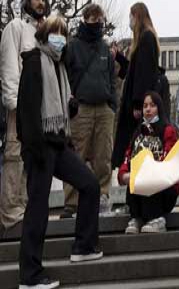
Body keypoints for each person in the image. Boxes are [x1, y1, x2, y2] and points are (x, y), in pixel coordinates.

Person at [17, 15, 102, 289]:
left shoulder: (59, 66)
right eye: (55, 32)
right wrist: (32, 148)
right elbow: (26, 111)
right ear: (44, 33)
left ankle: (83, 247)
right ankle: (30, 276)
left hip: (59, 142)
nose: (60, 38)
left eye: (64, 34)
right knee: (38, 210)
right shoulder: (33, 61)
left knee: (89, 184)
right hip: (39, 145)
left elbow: (59, 107)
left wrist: (71, 109)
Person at [0, 0, 50, 231]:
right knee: (14, 159)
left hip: (40, 111)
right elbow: (10, 67)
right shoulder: (15, 27)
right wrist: (14, 104)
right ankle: (10, 213)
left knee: (32, 162)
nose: (40, 2)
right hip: (19, 108)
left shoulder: (45, 35)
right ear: (27, 1)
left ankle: (26, 209)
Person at [62, 4, 117, 219]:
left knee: (104, 156)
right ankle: (71, 202)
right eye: (94, 18)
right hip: (81, 108)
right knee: (76, 155)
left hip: (104, 108)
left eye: (100, 18)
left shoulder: (105, 49)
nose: (98, 22)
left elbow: (112, 78)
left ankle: (103, 195)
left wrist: (112, 104)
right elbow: (65, 75)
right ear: (85, 19)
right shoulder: (73, 46)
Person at [118, 91, 179, 234]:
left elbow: (169, 159)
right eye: (145, 106)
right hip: (140, 186)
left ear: (159, 108)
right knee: (134, 176)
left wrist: (151, 169)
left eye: (152, 105)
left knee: (149, 174)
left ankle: (157, 219)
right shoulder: (138, 132)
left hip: (164, 187)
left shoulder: (168, 131)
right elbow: (128, 156)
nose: (148, 109)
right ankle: (136, 217)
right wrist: (123, 174)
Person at [112, 3, 160, 170]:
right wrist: (118, 57)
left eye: (131, 16)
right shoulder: (145, 39)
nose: (130, 21)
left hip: (136, 106)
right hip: (136, 103)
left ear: (137, 16)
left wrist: (138, 103)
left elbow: (143, 74)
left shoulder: (146, 38)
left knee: (134, 150)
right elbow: (134, 69)